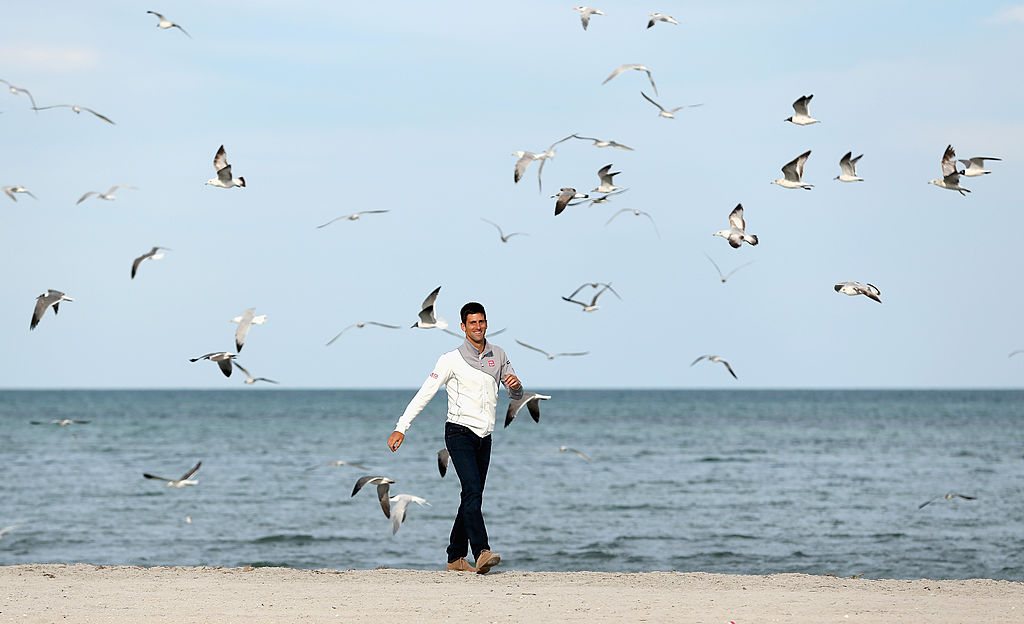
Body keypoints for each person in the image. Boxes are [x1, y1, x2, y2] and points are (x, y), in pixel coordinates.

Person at [387, 301, 523, 574]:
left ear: (486, 323)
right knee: (472, 491)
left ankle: (455, 557)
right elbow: (426, 392)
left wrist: (517, 387)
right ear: (463, 327)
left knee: (472, 495)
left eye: (481, 322)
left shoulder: (499, 354)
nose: (478, 327)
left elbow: (516, 394)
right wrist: (402, 426)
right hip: (459, 432)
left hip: (485, 436)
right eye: (472, 323)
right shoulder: (450, 359)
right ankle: (482, 551)